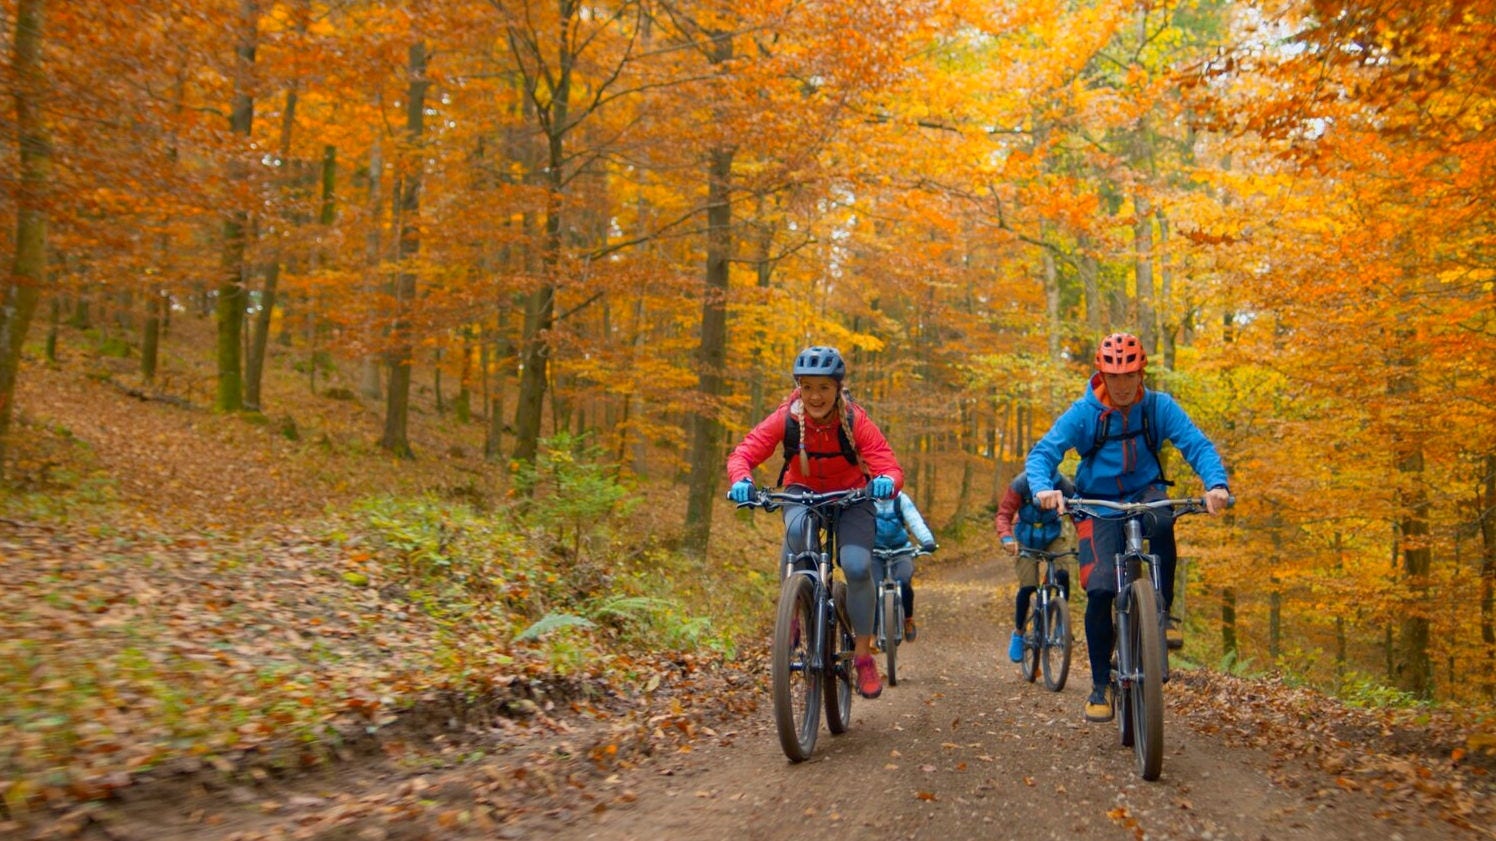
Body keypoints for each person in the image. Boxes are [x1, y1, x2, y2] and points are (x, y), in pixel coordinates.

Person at [1025, 332, 1231, 723]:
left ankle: (1162, 614)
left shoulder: (1158, 408)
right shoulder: (1084, 413)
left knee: (1164, 519)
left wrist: (1215, 484)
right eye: (1113, 376)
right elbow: (1043, 454)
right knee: (1101, 588)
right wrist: (1043, 489)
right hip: (1097, 502)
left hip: (1146, 490)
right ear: (1100, 374)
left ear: (1141, 373)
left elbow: (1197, 445)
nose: (1121, 385)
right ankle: (1100, 686)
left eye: (1129, 375)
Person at [727, 345, 906, 700]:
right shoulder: (787, 418)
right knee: (796, 536)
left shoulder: (855, 420)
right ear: (799, 387)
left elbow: (889, 464)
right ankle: (791, 617)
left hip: (852, 498)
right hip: (802, 492)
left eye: (823, 387)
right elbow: (745, 451)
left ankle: (864, 655)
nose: (815, 396)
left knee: (856, 567)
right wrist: (740, 480)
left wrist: (886, 481)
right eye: (807, 386)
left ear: (837, 388)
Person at [995, 466, 1076, 663]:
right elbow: (1003, 514)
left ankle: (1060, 622)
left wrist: (1087, 538)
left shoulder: (1062, 483)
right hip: (1026, 539)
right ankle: (1019, 633)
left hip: (1053, 536)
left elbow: (1078, 511)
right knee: (1028, 586)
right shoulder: (1020, 484)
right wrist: (1006, 539)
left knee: (1063, 574)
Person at [873, 490, 937, 642]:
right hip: (874, 551)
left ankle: (908, 619)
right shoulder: (867, 499)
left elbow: (915, 521)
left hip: (901, 550)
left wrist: (927, 541)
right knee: (873, 586)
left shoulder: (901, 499)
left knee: (904, 581)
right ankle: (872, 631)